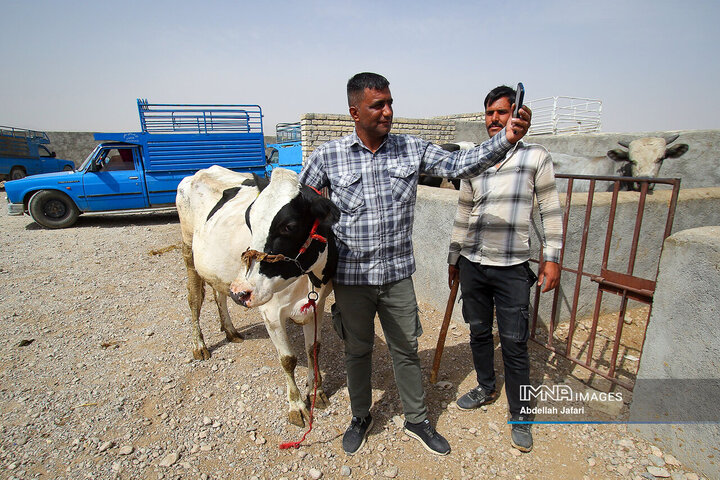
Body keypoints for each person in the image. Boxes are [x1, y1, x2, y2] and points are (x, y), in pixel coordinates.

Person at [299, 73, 531, 456]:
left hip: (397, 279)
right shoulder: (327, 155)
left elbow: (461, 163)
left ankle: (417, 420)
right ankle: (360, 416)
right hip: (352, 280)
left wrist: (506, 138)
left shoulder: (410, 148)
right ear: (355, 112)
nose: (388, 111)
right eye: (378, 105)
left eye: (390, 102)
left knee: (405, 349)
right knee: (357, 350)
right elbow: (301, 204)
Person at [447, 85, 563, 453]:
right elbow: (464, 211)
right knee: (479, 332)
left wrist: (553, 256)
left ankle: (520, 414)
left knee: (514, 342)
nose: (494, 119)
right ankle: (485, 386)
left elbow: (549, 208)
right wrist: (454, 257)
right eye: (489, 113)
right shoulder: (474, 161)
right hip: (473, 263)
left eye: (501, 112)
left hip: (512, 266)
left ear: (515, 114)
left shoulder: (534, 157)